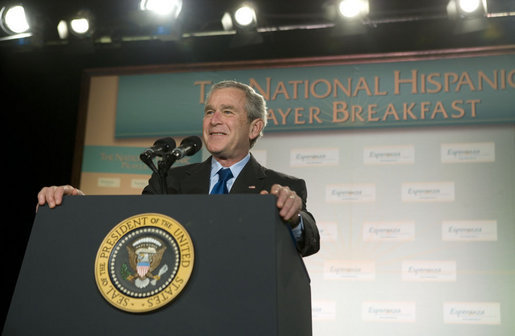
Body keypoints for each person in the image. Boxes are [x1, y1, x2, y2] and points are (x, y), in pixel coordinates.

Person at [37, 80, 320, 257]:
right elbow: (132, 229)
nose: (214, 120)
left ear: (254, 127)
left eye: (228, 112)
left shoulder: (281, 187)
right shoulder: (169, 179)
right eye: (209, 111)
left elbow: (309, 243)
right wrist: (76, 209)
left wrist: (294, 218)